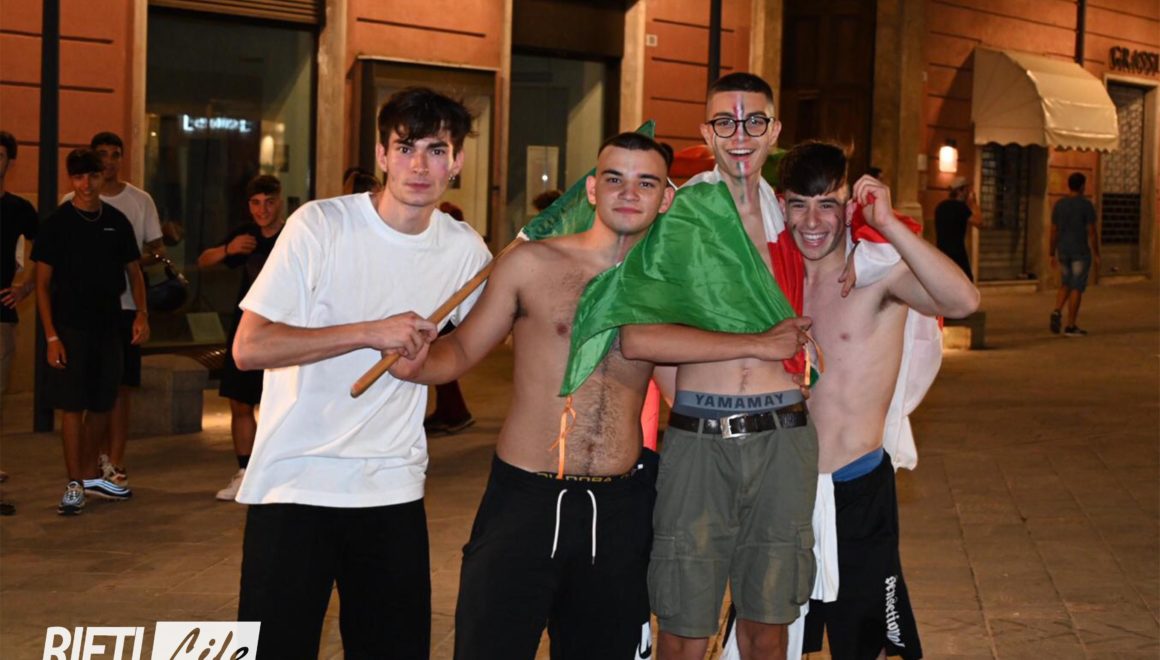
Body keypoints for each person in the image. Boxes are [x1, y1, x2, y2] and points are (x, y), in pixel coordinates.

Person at [230, 87, 491, 659]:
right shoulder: (320, 225)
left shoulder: (465, 250)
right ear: (381, 154)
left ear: (458, 161)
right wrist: (370, 331)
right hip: (294, 483)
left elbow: (473, 345)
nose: (419, 166)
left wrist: (424, 367)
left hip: (391, 488)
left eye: (436, 150)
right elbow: (249, 348)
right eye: (405, 148)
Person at [391, 132, 675, 659]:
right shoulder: (531, 264)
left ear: (665, 198)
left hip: (618, 509)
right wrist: (415, 363)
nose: (628, 193)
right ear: (592, 189)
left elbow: (685, 390)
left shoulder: (669, 287)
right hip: (525, 502)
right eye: (614, 178)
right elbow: (463, 349)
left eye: (646, 182)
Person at [618, 72, 817, 660]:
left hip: (784, 435)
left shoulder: (796, 220)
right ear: (707, 132)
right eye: (726, 122)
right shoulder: (682, 215)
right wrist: (756, 344)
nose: (740, 135)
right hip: (701, 437)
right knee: (684, 626)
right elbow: (637, 336)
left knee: (769, 624)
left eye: (754, 121)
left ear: (774, 131)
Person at [777, 142, 978, 659]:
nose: (813, 221)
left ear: (849, 206)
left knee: (867, 643)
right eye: (800, 204)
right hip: (783, 488)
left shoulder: (878, 275)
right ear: (781, 205)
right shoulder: (772, 279)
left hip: (856, 485)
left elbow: (963, 301)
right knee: (771, 637)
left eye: (828, 204)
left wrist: (888, 225)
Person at [32, 149, 148, 515]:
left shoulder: (116, 221)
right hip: (70, 327)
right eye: (79, 177)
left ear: (101, 177)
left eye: (92, 176)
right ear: (71, 179)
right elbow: (42, 284)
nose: (86, 184)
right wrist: (51, 336)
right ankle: (74, 483)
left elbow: (134, 272)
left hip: (109, 325)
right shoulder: (57, 224)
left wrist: (142, 314)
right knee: (72, 405)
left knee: (102, 403)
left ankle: (87, 474)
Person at [62, 131, 164, 490]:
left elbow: (155, 250)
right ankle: (85, 467)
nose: (108, 162)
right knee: (83, 393)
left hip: (124, 307)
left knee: (119, 388)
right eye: (101, 155)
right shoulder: (69, 204)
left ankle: (115, 461)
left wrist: (124, 263)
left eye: (114, 154)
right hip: (82, 313)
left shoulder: (138, 201)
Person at [197, 175, 284, 501]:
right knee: (240, 401)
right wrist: (227, 249)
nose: (263, 210)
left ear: (280, 201)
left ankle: (275, 471)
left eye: (269, 202)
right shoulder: (245, 235)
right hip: (246, 329)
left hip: (283, 331)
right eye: (256, 203)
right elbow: (203, 261)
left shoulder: (293, 235)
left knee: (280, 404)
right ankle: (245, 471)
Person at [422, 201, 476, 436]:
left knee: (441, 365)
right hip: (440, 311)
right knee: (440, 367)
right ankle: (451, 411)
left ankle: (455, 414)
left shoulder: (458, 247)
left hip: (445, 314)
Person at [0, 130, 39, 393]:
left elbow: (47, 253)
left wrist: (26, 286)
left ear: (10, 163)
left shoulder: (19, 209)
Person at [1049, 172, 1099, 336]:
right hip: (1080, 251)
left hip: (1063, 250)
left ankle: (1057, 310)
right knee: (1077, 286)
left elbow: (1054, 230)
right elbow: (1092, 231)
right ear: (1082, 186)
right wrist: (1096, 253)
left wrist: (1051, 252)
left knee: (1066, 283)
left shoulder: (1059, 205)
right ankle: (1071, 325)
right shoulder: (1086, 205)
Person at [934, 176, 981, 283]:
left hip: (941, 252)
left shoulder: (940, 206)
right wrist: (974, 203)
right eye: (967, 190)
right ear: (960, 191)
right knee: (967, 281)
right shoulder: (961, 208)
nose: (968, 193)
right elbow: (979, 222)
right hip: (957, 253)